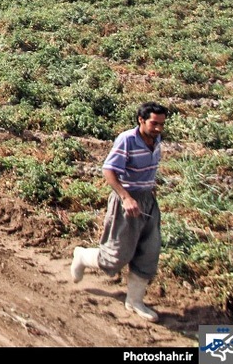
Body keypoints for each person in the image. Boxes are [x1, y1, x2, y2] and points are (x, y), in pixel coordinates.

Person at [70, 101, 169, 322]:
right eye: (154, 123)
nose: (159, 128)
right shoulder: (127, 139)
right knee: (116, 256)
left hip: (148, 201)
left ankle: (134, 301)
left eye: (162, 124)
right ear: (141, 120)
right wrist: (126, 198)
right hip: (127, 201)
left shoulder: (156, 139)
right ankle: (83, 256)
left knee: (149, 251)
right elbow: (109, 170)